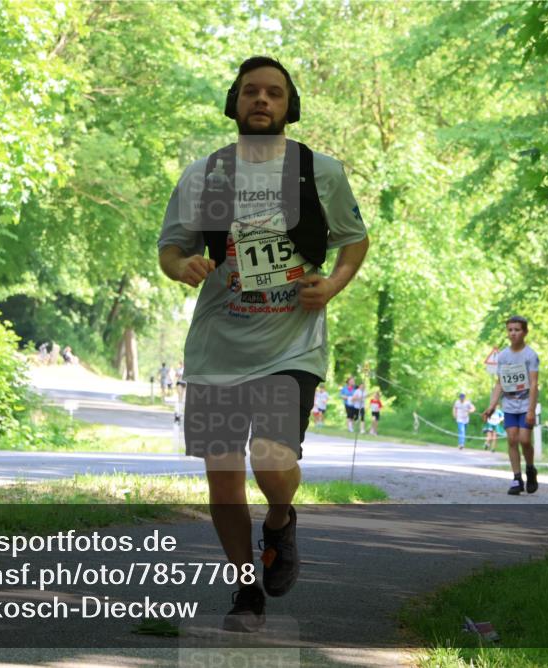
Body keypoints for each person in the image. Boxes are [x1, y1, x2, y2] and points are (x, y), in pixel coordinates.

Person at [158, 56, 368, 632]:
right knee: (222, 474)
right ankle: (245, 586)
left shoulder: (320, 172)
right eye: (251, 91)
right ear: (235, 101)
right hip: (217, 347)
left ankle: (280, 519)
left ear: (288, 105)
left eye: (274, 93)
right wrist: (184, 267)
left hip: (289, 345)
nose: (262, 101)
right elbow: (170, 249)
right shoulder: (204, 175)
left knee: (271, 461)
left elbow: (354, 242)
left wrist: (332, 286)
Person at [482, 315, 540, 495]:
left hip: (525, 404)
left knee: (524, 440)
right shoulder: (504, 356)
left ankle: (530, 469)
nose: (513, 333)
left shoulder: (530, 355)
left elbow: (534, 383)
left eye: (517, 330)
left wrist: (531, 409)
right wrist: (492, 405)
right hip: (509, 404)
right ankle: (516, 478)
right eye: (510, 330)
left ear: (525, 332)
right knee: (512, 439)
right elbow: (500, 383)